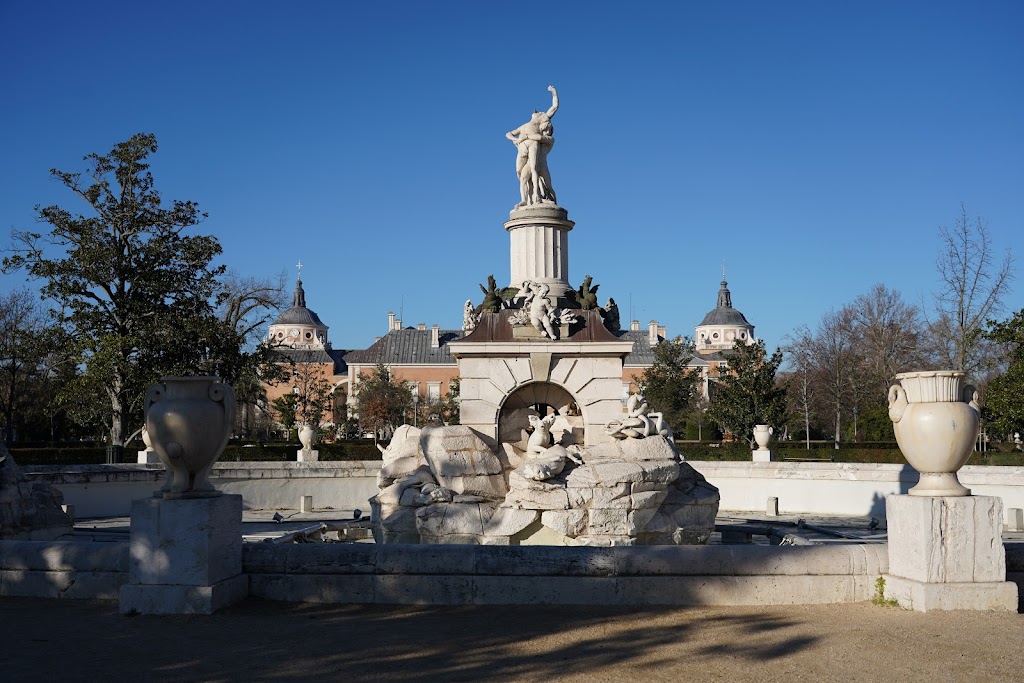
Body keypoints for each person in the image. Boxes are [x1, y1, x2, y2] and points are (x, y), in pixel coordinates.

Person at [506, 86, 559, 207]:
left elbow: (555, 106)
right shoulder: (524, 126)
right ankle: (526, 199)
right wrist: (515, 139)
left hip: (540, 163)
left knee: (548, 186)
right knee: (522, 175)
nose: (539, 111)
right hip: (526, 154)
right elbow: (508, 133)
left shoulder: (544, 124)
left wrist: (554, 92)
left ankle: (549, 201)